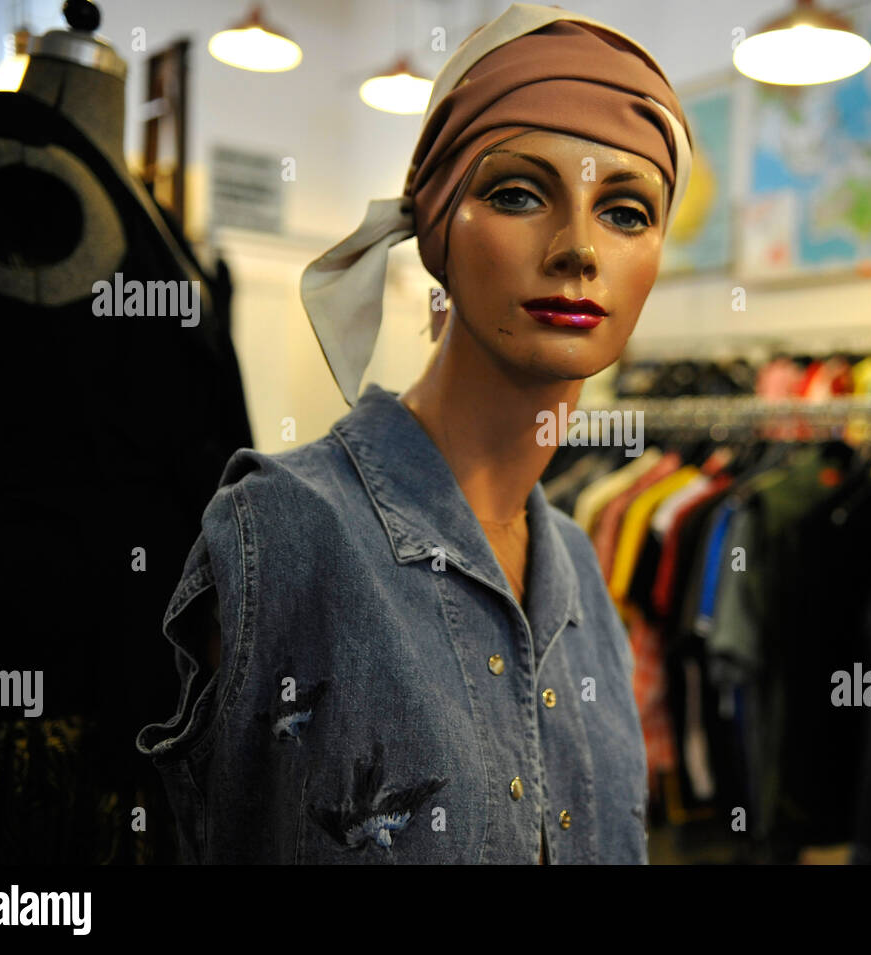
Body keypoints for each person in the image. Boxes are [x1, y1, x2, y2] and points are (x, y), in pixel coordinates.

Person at [137, 2, 692, 864]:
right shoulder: (282, 535)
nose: (580, 248)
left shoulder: (581, 573)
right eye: (516, 193)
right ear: (435, 223)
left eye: (625, 211)